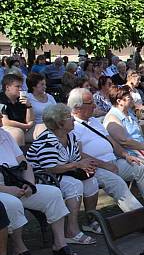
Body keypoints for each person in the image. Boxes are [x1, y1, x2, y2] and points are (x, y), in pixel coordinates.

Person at [1, 120, 79, 255]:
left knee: (53, 193)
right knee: (13, 203)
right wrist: (6, 189)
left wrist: (30, 184)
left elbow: (26, 165)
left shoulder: (5, 135)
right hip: (2, 188)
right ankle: (18, 249)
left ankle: (59, 243)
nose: (1, 117)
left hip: (19, 183)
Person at [69, 88, 144, 213]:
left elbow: (112, 142)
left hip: (113, 162)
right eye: (90, 103)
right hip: (94, 168)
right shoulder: (72, 126)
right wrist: (105, 165)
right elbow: (79, 154)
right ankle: (140, 217)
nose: (94, 105)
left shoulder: (94, 121)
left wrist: (126, 155)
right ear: (77, 107)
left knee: (142, 168)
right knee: (118, 183)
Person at [26, 104, 98, 246]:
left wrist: (84, 167)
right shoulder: (47, 140)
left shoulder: (70, 136)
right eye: (68, 117)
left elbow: (75, 159)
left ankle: (91, 220)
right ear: (59, 123)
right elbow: (51, 168)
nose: (72, 119)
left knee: (91, 182)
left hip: (64, 173)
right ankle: (71, 230)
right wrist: (77, 165)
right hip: (44, 178)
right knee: (74, 185)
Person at [103, 86, 144, 161]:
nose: (132, 99)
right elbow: (124, 141)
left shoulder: (129, 113)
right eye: (129, 97)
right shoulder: (112, 117)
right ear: (119, 101)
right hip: (131, 155)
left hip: (141, 149)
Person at [1, 73, 34, 146]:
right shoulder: (1, 99)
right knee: (18, 133)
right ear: (7, 87)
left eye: (21, 86)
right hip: (7, 129)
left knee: (43, 128)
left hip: (24, 129)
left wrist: (29, 106)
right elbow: (5, 122)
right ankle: (20, 157)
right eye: (17, 86)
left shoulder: (21, 99)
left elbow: (29, 121)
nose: (20, 89)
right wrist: (26, 126)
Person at [25, 72, 54, 140]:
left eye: (45, 84)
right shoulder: (28, 98)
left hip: (52, 124)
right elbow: (28, 120)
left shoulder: (50, 97)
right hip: (36, 128)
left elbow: (58, 111)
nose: (45, 86)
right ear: (33, 86)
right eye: (42, 84)